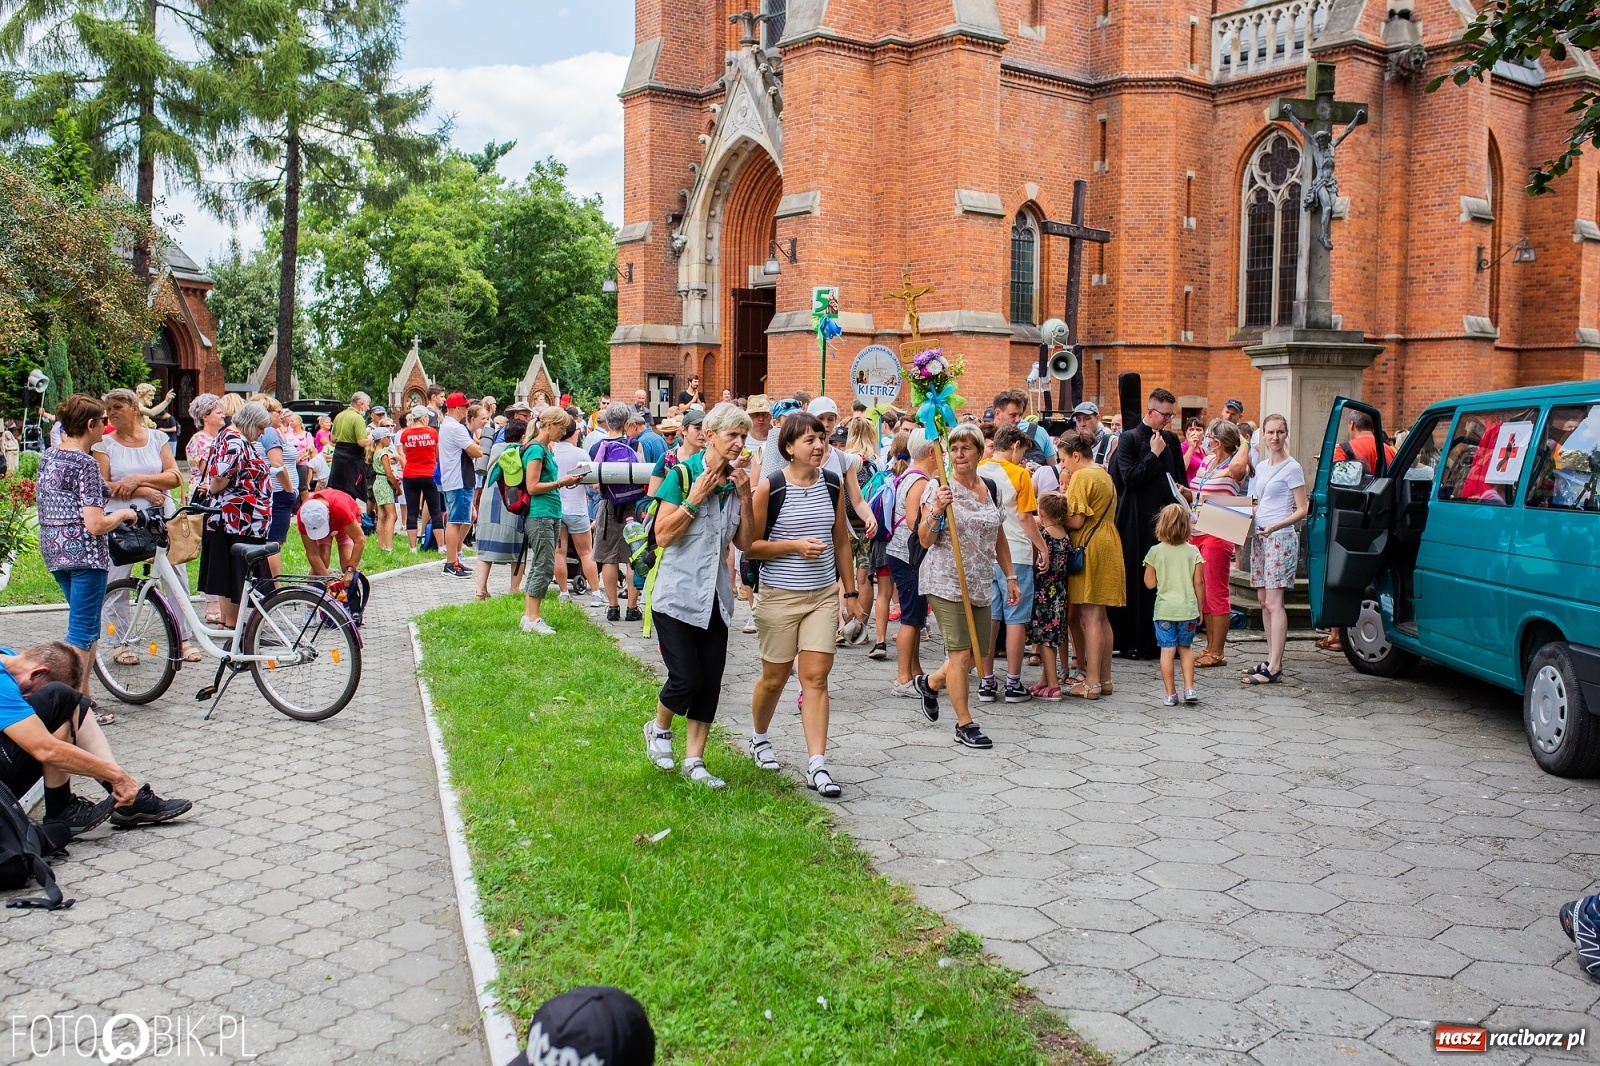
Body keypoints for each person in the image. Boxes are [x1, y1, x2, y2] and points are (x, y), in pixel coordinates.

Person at [745, 411, 866, 797]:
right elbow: (750, 545)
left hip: (822, 597)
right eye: (809, 440)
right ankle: (760, 738)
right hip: (779, 597)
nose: (818, 445)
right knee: (775, 679)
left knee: (815, 678)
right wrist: (794, 546)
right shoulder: (771, 487)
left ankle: (817, 764)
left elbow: (841, 542)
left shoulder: (833, 482)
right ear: (789, 448)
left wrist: (850, 593)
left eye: (821, 438)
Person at [641, 402, 754, 787]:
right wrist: (694, 499)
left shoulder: (735, 483)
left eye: (743, 436)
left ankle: (695, 761)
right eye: (731, 435)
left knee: (709, 683)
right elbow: (662, 535)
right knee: (685, 677)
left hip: (716, 598)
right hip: (676, 594)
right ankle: (658, 729)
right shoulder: (683, 474)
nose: (739, 443)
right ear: (709, 436)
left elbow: (746, 542)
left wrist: (748, 494)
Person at [2, 641, 191, 833]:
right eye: (33, 692)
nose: (28, 696)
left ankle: (126, 801)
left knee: (76, 703)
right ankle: (61, 809)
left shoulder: (7, 656)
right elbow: (45, 749)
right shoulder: (3, 683)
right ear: (37, 673)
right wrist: (116, 775)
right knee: (60, 697)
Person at [909, 423, 1016, 749]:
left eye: (965, 448)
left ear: (979, 451)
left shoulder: (991, 488)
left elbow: (998, 534)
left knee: (975, 655)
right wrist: (938, 509)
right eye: (953, 449)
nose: (958, 455)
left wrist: (1009, 576)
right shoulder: (939, 487)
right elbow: (925, 539)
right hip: (944, 581)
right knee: (959, 655)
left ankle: (929, 683)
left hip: (980, 580)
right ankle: (965, 723)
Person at [35, 395, 140, 694]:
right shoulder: (86, 464)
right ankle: (74, 704)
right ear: (91, 424)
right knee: (82, 633)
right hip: (84, 555)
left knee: (88, 626)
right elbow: (96, 524)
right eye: (104, 421)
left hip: (55, 551)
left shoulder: (50, 456)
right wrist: (122, 513)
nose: (107, 425)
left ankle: (86, 696)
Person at [94, 389, 201, 664]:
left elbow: (174, 476)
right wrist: (143, 490)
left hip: (158, 518)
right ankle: (119, 642)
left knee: (175, 576)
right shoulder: (103, 445)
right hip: (122, 520)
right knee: (117, 578)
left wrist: (139, 479)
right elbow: (104, 486)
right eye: (109, 408)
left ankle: (183, 637)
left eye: (117, 406)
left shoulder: (157, 438)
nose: (112, 412)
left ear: (134, 408)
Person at [1110, 387, 1187, 661]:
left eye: (1171, 415)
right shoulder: (1128, 439)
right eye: (1164, 415)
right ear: (1151, 412)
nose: (1168, 420)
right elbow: (1129, 478)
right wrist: (1153, 455)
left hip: (1166, 520)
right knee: (1139, 580)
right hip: (1136, 521)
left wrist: (1183, 490)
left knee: (1167, 579)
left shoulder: (1172, 440)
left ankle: (1167, 640)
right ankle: (1135, 640)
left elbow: (1180, 477)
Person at [977, 424, 1048, 703]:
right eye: (1024, 452)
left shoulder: (979, 468)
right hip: (1015, 552)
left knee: (990, 618)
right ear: (1016, 445)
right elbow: (1025, 518)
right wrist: (1041, 548)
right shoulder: (1019, 475)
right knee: (1016, 618)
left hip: (985, 554)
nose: (1023, 459)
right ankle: (1013, 682)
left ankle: (986, 681)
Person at [1317, 410, 1397, 651]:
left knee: (1340, 575)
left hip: (1352, 519)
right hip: (1383, 521)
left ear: (1351, 424)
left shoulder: (1344, 449)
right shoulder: (1391, 450)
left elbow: (1334, 485)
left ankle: (1336, 634)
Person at [1242, 414, 1308, 686]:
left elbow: (1303, 509)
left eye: (1280, 432)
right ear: (1264, 435)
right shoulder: (1263, 467)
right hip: (1261, 537)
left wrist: (1275, 526)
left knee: (1274, 602)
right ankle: (1270, 659)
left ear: (1286, 434)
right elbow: (1259, 503)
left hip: (1279, 537)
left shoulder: (1293, 468)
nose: (1275, 437)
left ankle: (1276, 665)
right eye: (1270, 432)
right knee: (1262, 601)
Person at [196, 401, 272, 629]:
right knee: (234, 577)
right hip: (236, 522)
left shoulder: (233, 439)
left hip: (241, 522)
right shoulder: (234, 441)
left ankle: (229, 626)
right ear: (249, 423)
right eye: (260, 427)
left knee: (232, 576)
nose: (262, 433)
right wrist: (211, 489)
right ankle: (232, 628)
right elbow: (221, 477)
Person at [1061, 429, 1125, 699]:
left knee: (1089, 616)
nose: (1063, 465)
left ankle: (1092, 682)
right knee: (1101, 616)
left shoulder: (1082, 476)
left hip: (1090, 544)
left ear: (1076, 455)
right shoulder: (1103, 473)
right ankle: (1105, 679)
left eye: (1064, 460)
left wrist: (1052, 519)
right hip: (1109, 541)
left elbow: (1076, 520)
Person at [518, 408, 584, 635]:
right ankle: (533, 619)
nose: (564, 431)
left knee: (541, 563)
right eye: (562, 427)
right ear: (548, 424)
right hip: (541, 513)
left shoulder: (544, 449)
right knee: (544, 565)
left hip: (550, 513)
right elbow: (532, 487)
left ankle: (529, 616)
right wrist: (561, 483)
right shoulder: (536, 450)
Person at [884, 430, 937, 698]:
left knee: (915, 616)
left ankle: (915, 671)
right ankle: (903, 678)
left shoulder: (909, 475)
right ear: (931, 452)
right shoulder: (920, 481)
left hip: (900, 553)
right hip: (908, 556)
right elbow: (913, 521)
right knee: (910, 618)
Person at [1190, 419, 1247, 668]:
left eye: (1211, 436)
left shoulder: (1236, 465)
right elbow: (1198, 487)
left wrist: (1243, 441)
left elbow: (1236, 468)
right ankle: (1209, 647)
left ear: (1221, 440)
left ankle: (1218, 651)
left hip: (1220, 528)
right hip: (1198, 527)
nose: (1206, 439)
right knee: (1203, 592)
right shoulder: (1207, 460)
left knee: (1216, 591)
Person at [1144, 502, 1204, 705]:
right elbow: (1199, 582)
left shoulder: (1155, 551)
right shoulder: (1193, 551)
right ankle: (1189, 688)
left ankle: (1171, 693)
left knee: (1167, 651)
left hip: (1165, 610)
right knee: (1186, 649)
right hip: (1187, 609)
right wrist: (1200, 608)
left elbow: (1149, 583)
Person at [589, 402, 644, 622]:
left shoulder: (597, 447)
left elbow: (594, 483)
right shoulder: (634, 444)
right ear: (626, 423)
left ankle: (613, 608)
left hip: (608, 505)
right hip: (633, 506)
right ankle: (632, 608)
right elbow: (641, 475)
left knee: (609, 558)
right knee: (633, 556)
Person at [473, 419, 529, 599]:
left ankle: (480, 589)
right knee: (518, 547)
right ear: (523, 436)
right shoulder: (521, 451)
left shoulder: (494, 449)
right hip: (510, 501)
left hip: (489, 501)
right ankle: (514, 588)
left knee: (485, 547)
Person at [247, 394, 299, 577]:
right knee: (273, 543)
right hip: (277, 493)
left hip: (270, 492)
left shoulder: (264, 432)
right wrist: (289, 489)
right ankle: (273, 588)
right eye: (279, 411)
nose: (282, 415)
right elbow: (277, 463)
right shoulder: (269, 432)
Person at [1027, 492, 1073, 701]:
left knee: (1044, 639)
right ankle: (1045, 680)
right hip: (1060, 593)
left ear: (1042, 513)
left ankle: (1054, 686)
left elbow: (1034, 562)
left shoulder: (1043, 537)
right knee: (1053, 638)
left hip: (1044, 593)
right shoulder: (1065, 536)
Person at [186, 395, 226, 625]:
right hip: (205, 498)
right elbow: (211, 471)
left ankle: (219, 599)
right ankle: (211, 602)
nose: (223, 415)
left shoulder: (222, 437)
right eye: (218, 412)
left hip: (219, 497)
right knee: (208, 547)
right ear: (205, 417)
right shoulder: (200, 441)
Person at [552, 419, 601, 603]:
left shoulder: (551, 451)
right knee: (586, 552)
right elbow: (592, 483)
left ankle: (563, 592)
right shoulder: (581, 454)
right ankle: (595, 592)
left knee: (559, 553)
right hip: (577, 508)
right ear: (575, 433)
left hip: (557, 508)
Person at [437, 392, 482, 577]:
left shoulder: (447, 425)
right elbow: (476, 451)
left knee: (467, 516)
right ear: (457, 408)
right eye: (464, 406)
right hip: (459, 479)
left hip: (453, 478)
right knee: (455, 521)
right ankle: (450, 563)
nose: (466, 409)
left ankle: (455, 558)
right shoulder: (456, 428)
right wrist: (477, 446)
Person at [399, 406, 442, 553]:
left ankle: (412, 548)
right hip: (429, 474)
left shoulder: (405, 434)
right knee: (435, 510)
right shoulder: (432, 432)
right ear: (424, 418)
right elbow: (437, 453)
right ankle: (441, 546)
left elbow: (405, 452)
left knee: (412, 511)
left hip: (410, 474)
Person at [296, 488, 366, 577]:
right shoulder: (304, 515)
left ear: (328, 513)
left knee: (347, 562)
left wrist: (350, 570)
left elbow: (360, 540)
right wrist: (328, 581)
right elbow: (312, 554)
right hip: (331, 518)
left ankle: (352, 588)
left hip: (345, 523)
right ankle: (310, 588)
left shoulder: (340, 507)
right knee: (323, 559)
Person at [992, 388, 1057, 466]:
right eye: (1013, 415)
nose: (1017, 420)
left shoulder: (1039, 432)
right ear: (997, 413)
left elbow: (1053, 470)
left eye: (1020, 415)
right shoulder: (984, 435)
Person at [328, 391, 372, 500]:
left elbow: (333, 439)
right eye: (367, 404)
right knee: (351, 492)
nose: (368, 408)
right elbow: (361, 442)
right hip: (352, 459)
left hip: (338, 457)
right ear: (361, 403)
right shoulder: (358, 418)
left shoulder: (339, 416)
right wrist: (371, 437)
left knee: (338, 492)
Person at [369, 427, 400, 551]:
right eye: (388, 438)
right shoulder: (384, 453)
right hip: (384, 484)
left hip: (378, 482)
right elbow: (389, 474)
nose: (390, 440)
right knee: (392, 516)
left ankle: (381, 545)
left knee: (381, 515)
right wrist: (397, 488)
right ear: (382, 440)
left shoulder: (375, 452)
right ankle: (389, 546)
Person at [1181, 417, 1207, 483]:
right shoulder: (1182, 447)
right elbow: (1181, 468)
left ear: (1203, 434)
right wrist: (1191, 447)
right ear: (1186, 433)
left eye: (1198, 430)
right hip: (1187, 487)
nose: (1195, 432)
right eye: (1191, 429)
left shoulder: (1201, 450)